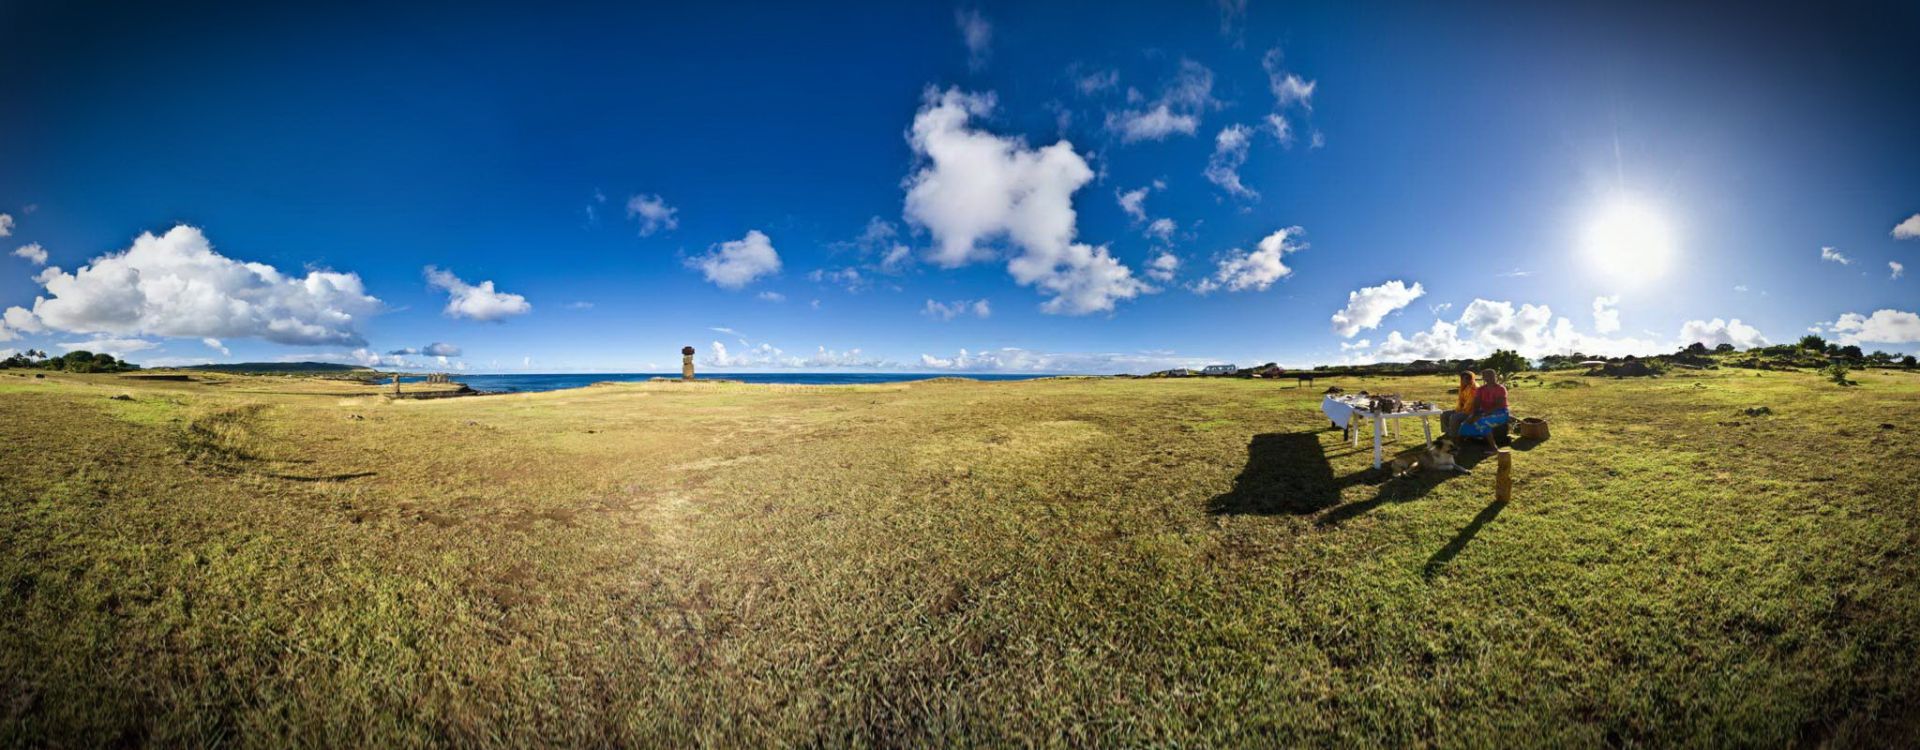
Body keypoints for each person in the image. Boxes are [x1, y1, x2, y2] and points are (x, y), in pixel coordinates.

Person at [1457, 368, 1511, 450]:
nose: (1489, 378)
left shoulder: (1500, 388)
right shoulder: (1481, 389)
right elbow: (1476, 403)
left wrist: (1483, 414)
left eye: (1491, 376)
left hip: (1500, 412)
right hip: (1485, 411)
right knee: (1465, 424)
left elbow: (1499, 405)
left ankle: (1494, 448)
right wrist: (1474, 414)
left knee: (1482, 422)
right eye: (1486, 376)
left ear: (1495, 377)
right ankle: (1459, 445)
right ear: (1484, 378)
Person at [1441, 371, 1477, 439]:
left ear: (1472, 378)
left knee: (1454, 417)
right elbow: (1461, 401)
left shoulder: (1474, 389)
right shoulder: (1464, 387)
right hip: (1463, 409)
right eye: (1463, 378)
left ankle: (1454, 436)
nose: (1465, 380)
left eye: (1468, 378)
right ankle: (1448, 432)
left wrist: (1459, 411)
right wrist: (1458, 410)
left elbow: (1470, 404)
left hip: (1471, 412)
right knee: (1444, 414)